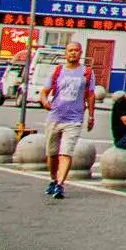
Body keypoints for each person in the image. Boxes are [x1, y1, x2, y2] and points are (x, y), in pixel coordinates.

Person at [40, 41, 96, 198]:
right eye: (70, 50)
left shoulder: (87, 72)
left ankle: (60, 184)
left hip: (74, 119)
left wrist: (91, 116)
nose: (73, 53)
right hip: (55, 117)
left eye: (76, 50)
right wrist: (44, 101)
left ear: (81, 53)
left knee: (66, 152)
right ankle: (53, 179)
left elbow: (91, 95)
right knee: (52, 154)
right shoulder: (58, 71)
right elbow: (44, 91)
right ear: (66, 53)